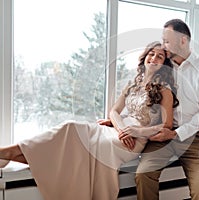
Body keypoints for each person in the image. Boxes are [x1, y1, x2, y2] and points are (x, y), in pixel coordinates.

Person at [0, 41, 179, 200]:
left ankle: (7, 153)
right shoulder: (133, 83)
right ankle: (8, 152)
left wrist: (136, 131)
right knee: (71, 127)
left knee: (88, 147)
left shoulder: (165, 90)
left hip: (134, 140)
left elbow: (166, 126)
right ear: (145, 57)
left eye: (160, 56)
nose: (154, 58)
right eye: (151, 54)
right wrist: (121, 128)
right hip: (120, 130)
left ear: (164, 64)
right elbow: (114, 111)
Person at [133, 19, 199, 200]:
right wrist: (120, 119)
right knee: (143, 174)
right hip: (161, 136)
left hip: (194, 138)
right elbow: (140, 92)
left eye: (167, 41)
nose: (163, 46)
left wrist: (174, 134)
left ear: (183, 41)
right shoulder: (162, 65)